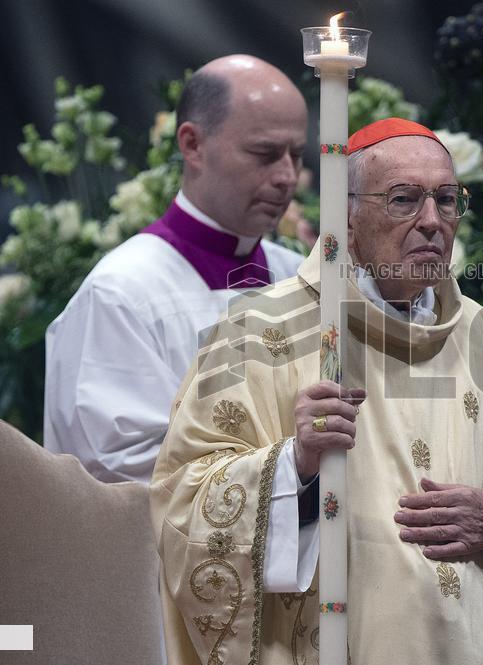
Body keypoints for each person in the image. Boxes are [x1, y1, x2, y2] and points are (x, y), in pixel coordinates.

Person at [150, 118, 483, 664]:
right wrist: (294, 465)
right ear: (346, 217)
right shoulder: (257, 330)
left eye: (447, 200)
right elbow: (183, 497)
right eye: (404, 200)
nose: (432, 222)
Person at [44, 55, 308, 483]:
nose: (286, 177)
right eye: (264, 153)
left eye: (295, 156)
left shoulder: (303, 278)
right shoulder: (121, 294)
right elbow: (115, 468)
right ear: (192, 145)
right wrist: (292, 468)